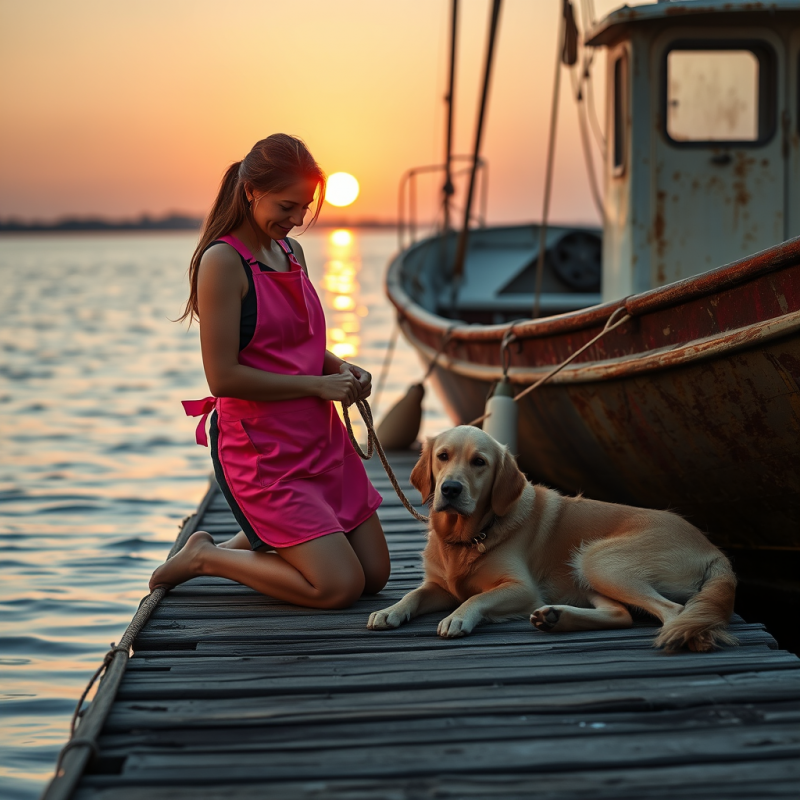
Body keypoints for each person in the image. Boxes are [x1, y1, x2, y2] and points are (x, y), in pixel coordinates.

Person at [149, 134, 390, 608]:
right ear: (251, 191)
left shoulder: (291, 255)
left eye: (304, 208)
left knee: (375, 576)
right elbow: (223, 378)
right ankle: (206, 558)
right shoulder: (222, 262)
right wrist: (320, 385)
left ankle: (265, 542)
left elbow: (301, 347)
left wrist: (343, 369)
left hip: (318, 439)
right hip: (264, 451)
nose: (298, 220)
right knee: (338, 586)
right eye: (288, 206)